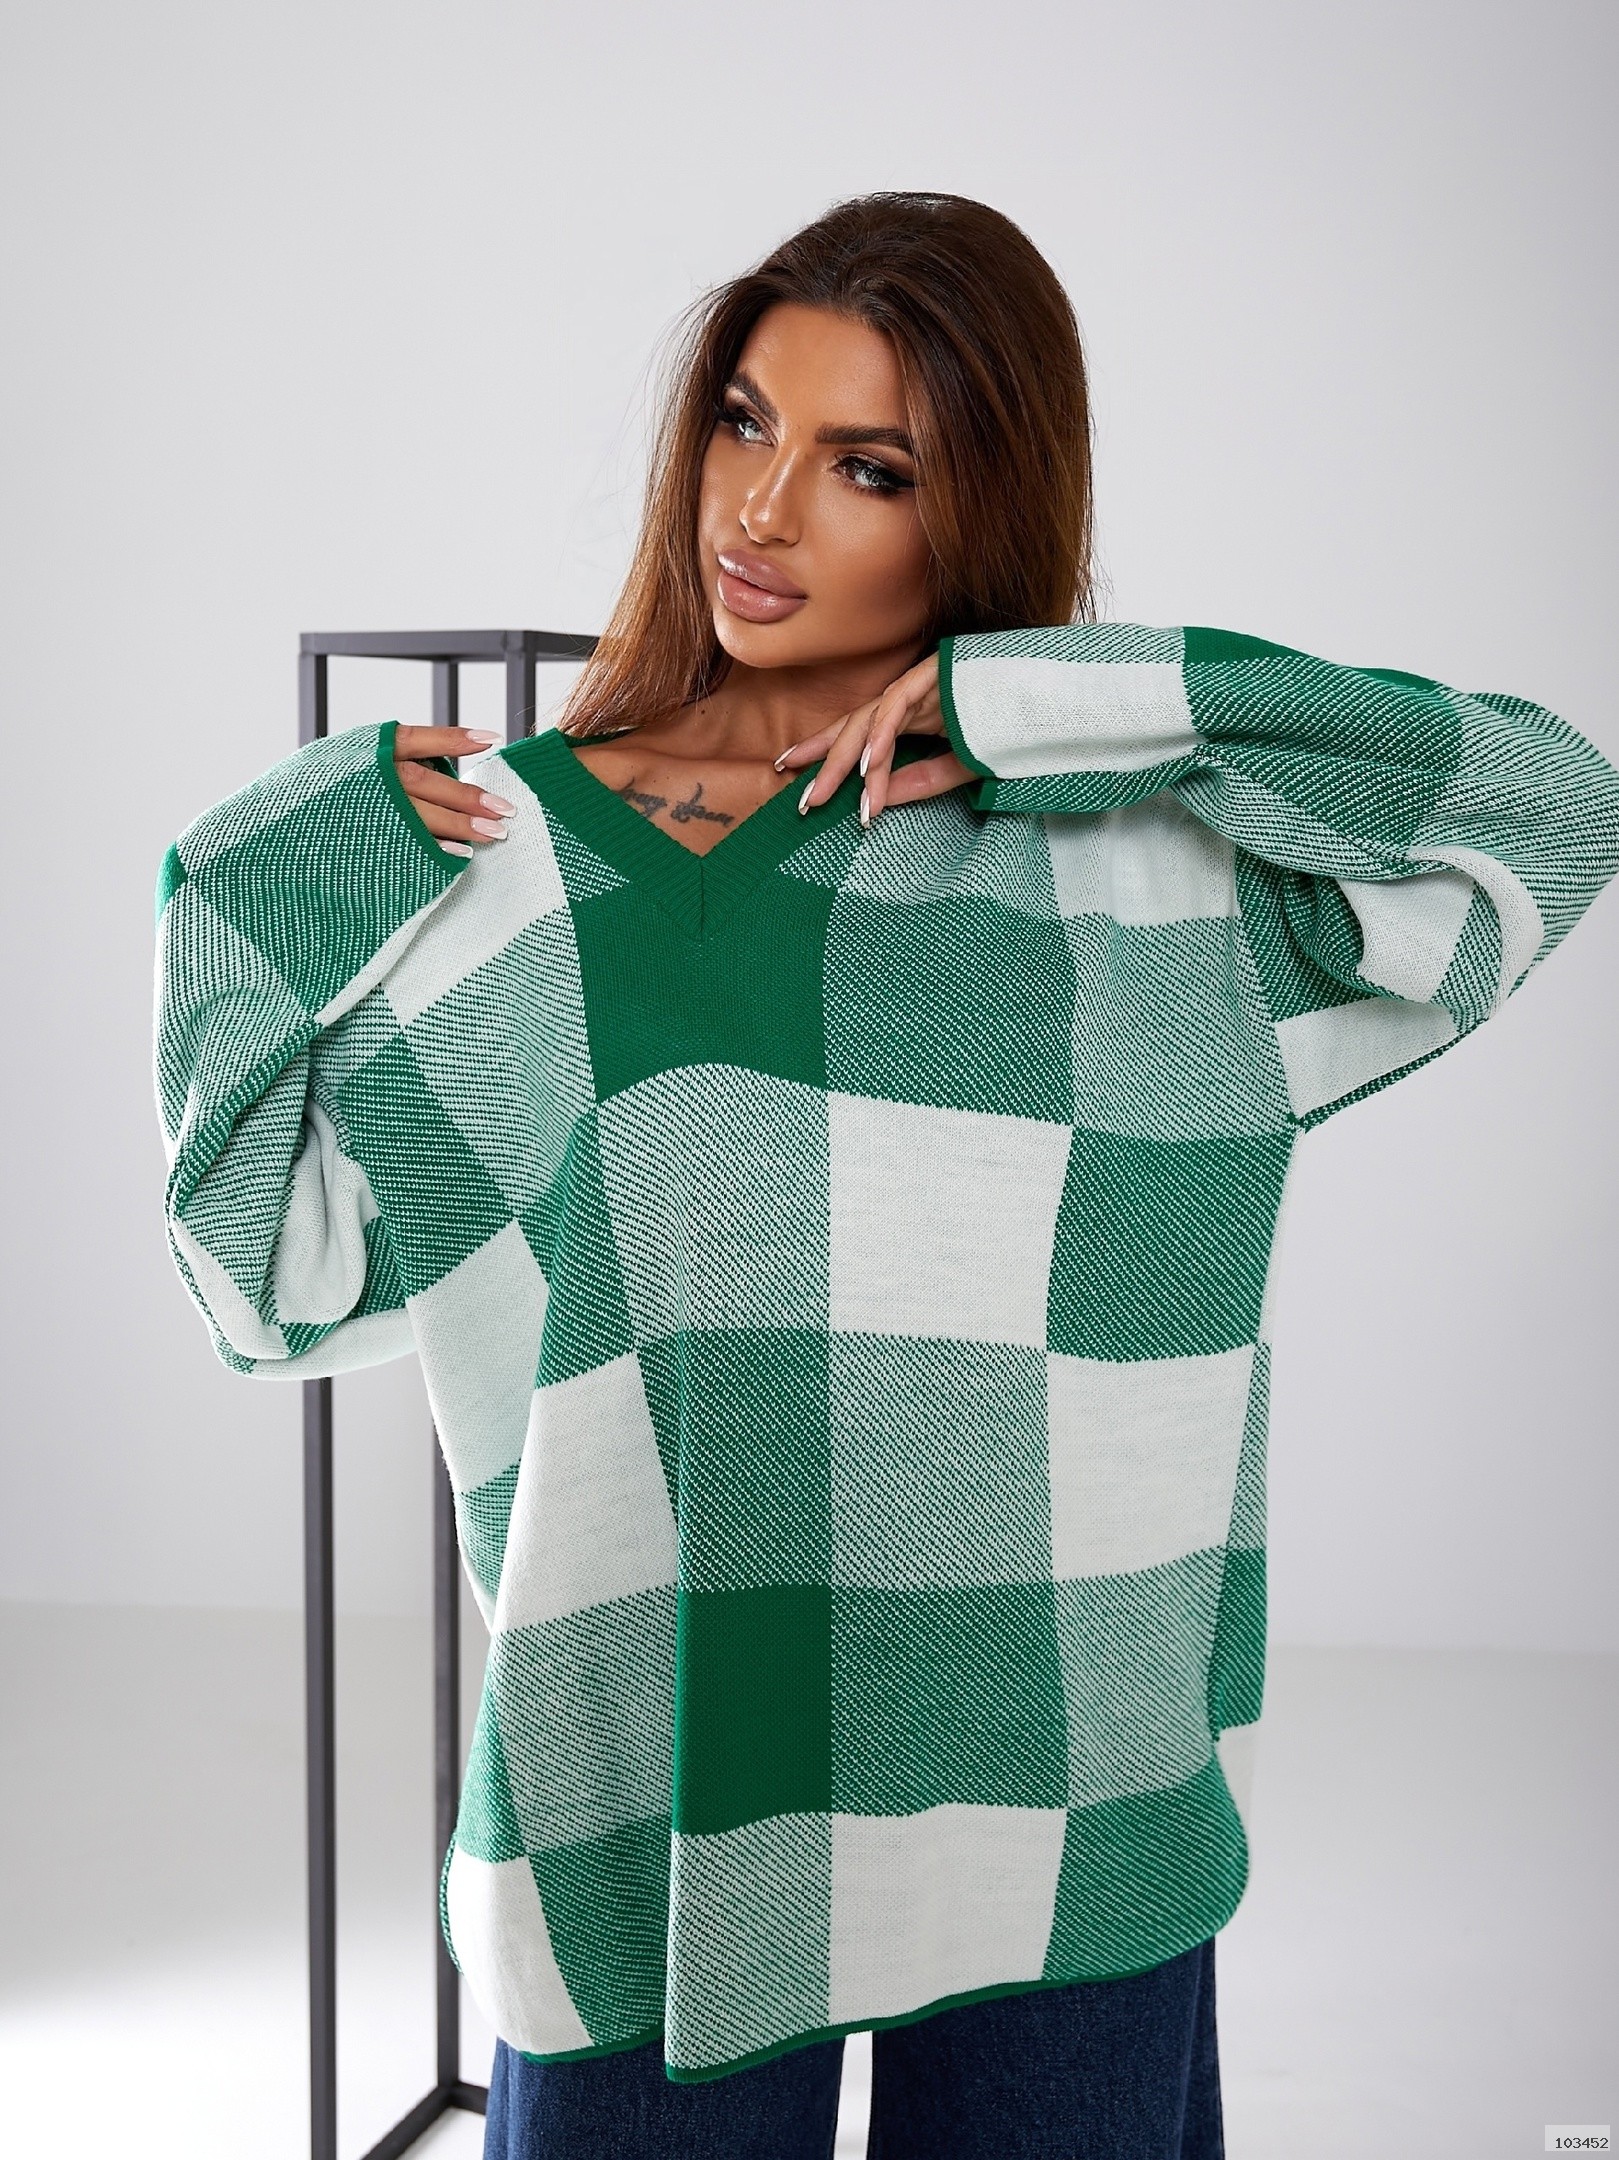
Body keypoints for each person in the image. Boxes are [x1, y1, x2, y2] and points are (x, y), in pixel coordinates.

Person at [151, 193, 1619, 2159]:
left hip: (1066, 1796)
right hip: (645, 1805)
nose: (761, 511)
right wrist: (253, 888)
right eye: (744, 423)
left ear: (979, 509)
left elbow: (1548, 809)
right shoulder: (504, 876)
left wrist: (1041, 708)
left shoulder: (1151, 879)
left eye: (870, 468)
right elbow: (266, 1283)